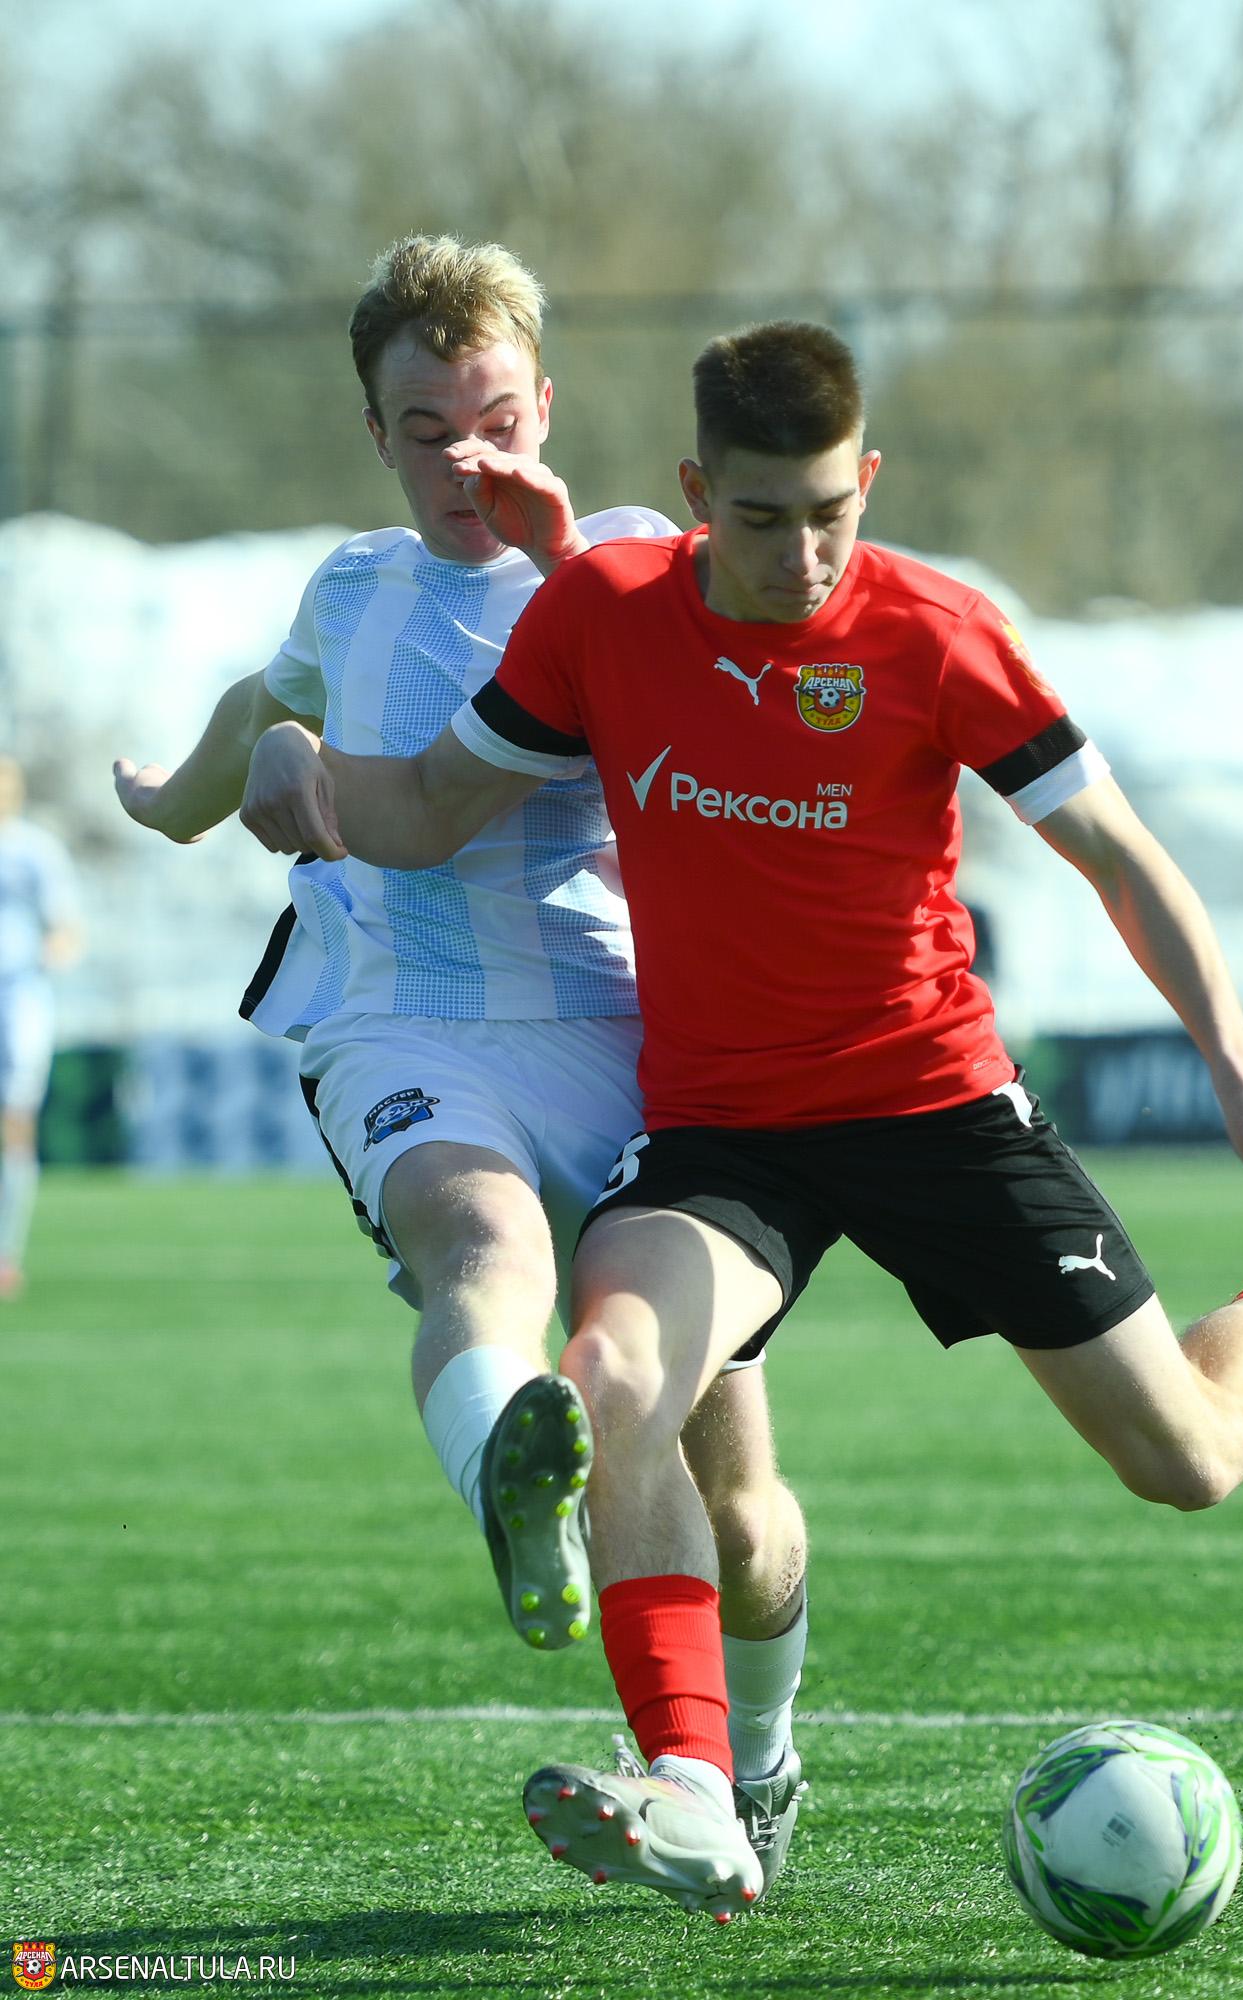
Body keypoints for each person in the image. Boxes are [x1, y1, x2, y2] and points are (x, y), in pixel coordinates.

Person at [242, 319, 1243, 1923]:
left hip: (935, 1104)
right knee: (611, 1378)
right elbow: (423, 807)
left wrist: (1240, 1064)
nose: (804, 554)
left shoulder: (938, 633)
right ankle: (693, 1785)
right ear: (698, 495)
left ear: (867, 480)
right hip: (722, 1135)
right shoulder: (603, 613)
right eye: (762, 518)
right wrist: (293, 762)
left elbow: (1119, 854)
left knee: (1187, 1458)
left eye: (831, 512)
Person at [114, 243, 814, 1893]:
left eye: (494, 419)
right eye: (426, 430)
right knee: (480, 1247)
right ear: (377, 434)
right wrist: (195, 793)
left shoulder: (645, 559)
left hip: (634, 1042)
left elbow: (768, 714)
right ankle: (514, 1469)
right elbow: (266, 703)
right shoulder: (352, 588)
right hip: (412, 1022)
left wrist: (580, 571)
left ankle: (763, 1756)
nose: (466, 459)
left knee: (740, 1505)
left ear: (546, 406)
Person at [0, 755, 83, 1299]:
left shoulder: (35, 851)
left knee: (15, 1120)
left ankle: (5, 1252)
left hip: (18, 1000)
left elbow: (67, 929)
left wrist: (47, 954)